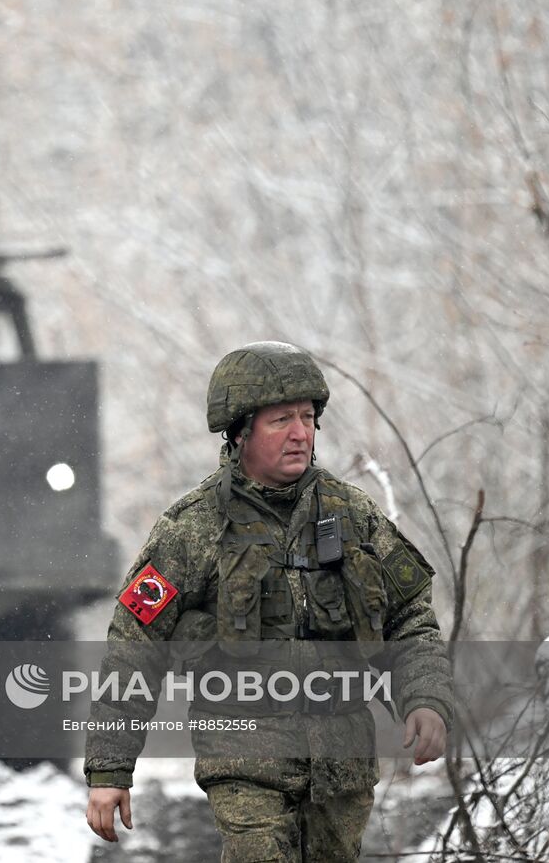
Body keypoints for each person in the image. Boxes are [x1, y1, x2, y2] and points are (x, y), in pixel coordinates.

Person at [83, 341, 453, 862]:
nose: (301, 433)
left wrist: (426, 700)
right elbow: (133, 649)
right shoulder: (192, 529)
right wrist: (110, 771)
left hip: (342, 766)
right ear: (240, 432)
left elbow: (410, 618)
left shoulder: (353, 515)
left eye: (307, 417)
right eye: (281, 420)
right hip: (244, 763)